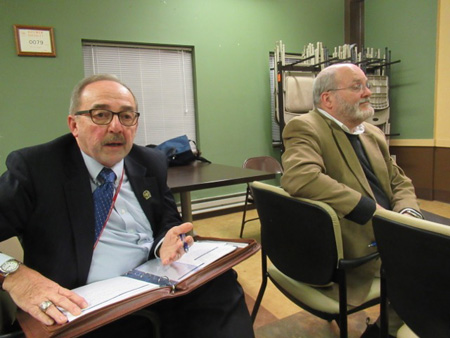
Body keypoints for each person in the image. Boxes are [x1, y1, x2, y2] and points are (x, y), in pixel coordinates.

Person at [0, 74, 254, 337]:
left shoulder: (150, 161)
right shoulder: (37, 168)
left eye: (126, 116)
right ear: (74, 125)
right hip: (87, 304)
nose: (116, 127)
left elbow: (168, 219)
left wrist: (164, 243)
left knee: (222, 284)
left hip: (156, 285)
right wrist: (13, 275)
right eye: (100, 115)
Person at [281, 63, 423, 337]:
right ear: (328, 98)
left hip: (395, 227)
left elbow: (398, 181)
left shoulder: (372, 133)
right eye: (357, 86)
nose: (368, 92)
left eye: (367, 85)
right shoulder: (304, 127)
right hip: (357, 241)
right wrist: (372, 211)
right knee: (434, 269)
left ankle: (388, 329)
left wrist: (407, 212)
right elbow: (300, 177)